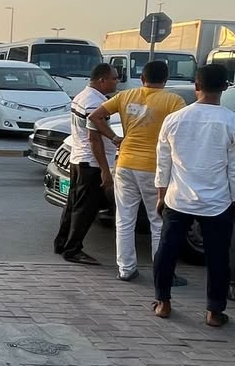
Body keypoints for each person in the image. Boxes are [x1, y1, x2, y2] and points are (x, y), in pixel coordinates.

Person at [152, 63, 235, 326]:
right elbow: (233, 169)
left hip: (178, 198)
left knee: (167, 251)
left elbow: (163, 163)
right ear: (225, 87)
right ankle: (214, 311)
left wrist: (161, 195)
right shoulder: (231, 121)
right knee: (218, 257)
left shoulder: (174, 119)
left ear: (196, 86)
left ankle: (163, 302)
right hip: (218, 202)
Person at [88, 60, 186, 282]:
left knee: (124, 219)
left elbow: (94, 116)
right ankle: (162, 272)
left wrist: (114, 137)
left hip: (125, 164)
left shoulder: (125, 96)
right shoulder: (174, 101)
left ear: (142, 78)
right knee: (158, 221)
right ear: (166, 79)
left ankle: (126, 269)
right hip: (154, 168)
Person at [54, 62, 120, 265]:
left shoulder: (83, 96)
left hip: (79, 159)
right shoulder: (94, 103)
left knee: (73, 205)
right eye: (114, 78)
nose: (117, 82)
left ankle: (62, 242)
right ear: (102, 80)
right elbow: (94, 139)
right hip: (90, 163)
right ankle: (73, 250)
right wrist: (105, 170)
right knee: (85, 209)